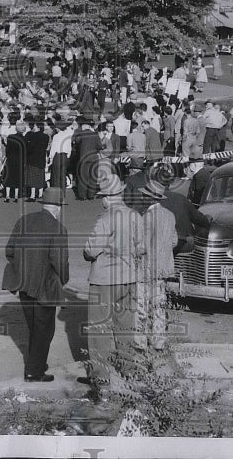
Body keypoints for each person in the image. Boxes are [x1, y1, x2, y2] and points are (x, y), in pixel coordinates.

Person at [77, 164, 145, 397]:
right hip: (128, 277)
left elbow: (91, 250)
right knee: (125, 325)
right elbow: (142, 248)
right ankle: (129, 371)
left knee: (99, 328)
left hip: (104, 279)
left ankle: (101, 376)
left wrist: (87, 252)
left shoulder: (105, 218)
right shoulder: (135, 216)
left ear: (107, 198)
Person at [1, 188, 69, 382]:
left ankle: (36, 363)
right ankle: (34, 371)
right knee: (44, 329)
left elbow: (10, 251)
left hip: (23, 284)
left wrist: (22, 270)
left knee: (34, 326)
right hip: (45, 286)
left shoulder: (24, 221)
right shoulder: (58, 229)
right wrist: (63, 279)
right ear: (57, 208)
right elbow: (60, 262)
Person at [134, 188, 178, 352]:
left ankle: (140, 343)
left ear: (149, 198)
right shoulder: (169, 215)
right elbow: (173, 241)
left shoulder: (145, 218)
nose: (140, 198)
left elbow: (142, 246)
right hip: (163, 269)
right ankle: (158, 342)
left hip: (146, 269)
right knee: (159, 306)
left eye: (143, 195)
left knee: (142, 306)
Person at [68, 116, 101, 201]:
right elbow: (99, 146)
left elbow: (76, 142)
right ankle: (91, 195)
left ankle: (82, 195)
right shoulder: (95, 134)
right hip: (93, 158)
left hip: (83, 157)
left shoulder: (81, 133)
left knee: (83, 176)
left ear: (85, 125)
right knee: (92, 177)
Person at [24, 119, 50, 201]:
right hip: (41, 158)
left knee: (32, 178)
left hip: (32, 159)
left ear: (37, 127)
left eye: (34, 126)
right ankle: (40, 193)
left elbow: (27, 146)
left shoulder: (31, 135)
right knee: (40, 176)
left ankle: (32, 195)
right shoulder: (46, 137)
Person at [4, 121, 28, 203]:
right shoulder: (24, 139)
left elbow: (7, 149)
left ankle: (7, 196)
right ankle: (16, 196)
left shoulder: (10, 137)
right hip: (20, 160)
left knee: (9, 177)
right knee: (17, 178)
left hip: (10, 159)